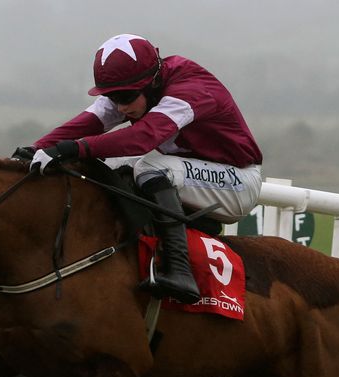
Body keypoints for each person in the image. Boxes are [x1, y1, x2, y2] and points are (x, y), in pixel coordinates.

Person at [26, 33, 263, 305]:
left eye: (126, 97)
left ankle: (180, 271)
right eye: (112, 97)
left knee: (151, 166)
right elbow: (88, 122)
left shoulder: (191, 89)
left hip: (237, 183)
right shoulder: (134, 90)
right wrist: (37, 148)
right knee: (104, 164)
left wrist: (71, 148)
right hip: (195, 177)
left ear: (153, 82)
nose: (121, 106)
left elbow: (143, 138)